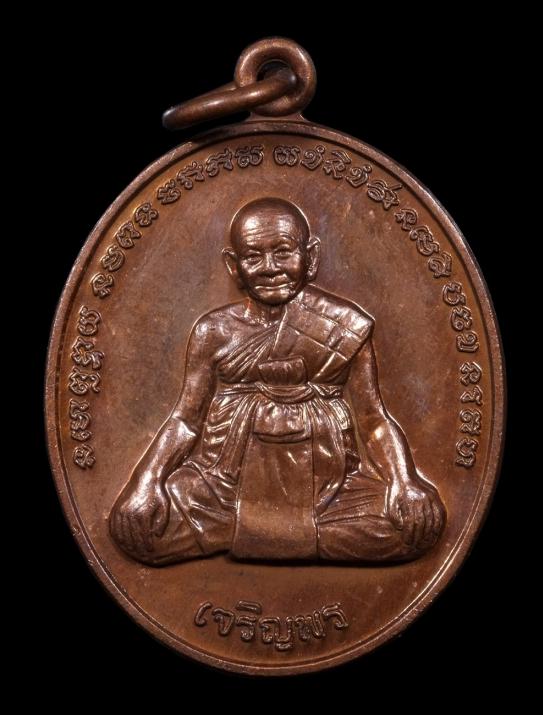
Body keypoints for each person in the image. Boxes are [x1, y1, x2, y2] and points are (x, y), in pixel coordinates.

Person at [109, 197, 446, 565]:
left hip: (330, 491)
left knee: (416, 526)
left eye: (283, 252)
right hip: (223, 488)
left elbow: (373, 420)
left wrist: (404, 481)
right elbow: (186, 420)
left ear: (310, 257)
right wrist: (147, 480)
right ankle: (282, 533)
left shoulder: (343, 326)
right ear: (234, 266)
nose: (270, 268)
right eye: (253, 257)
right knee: (139, 531)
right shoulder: (214, 331)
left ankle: (245, 532)